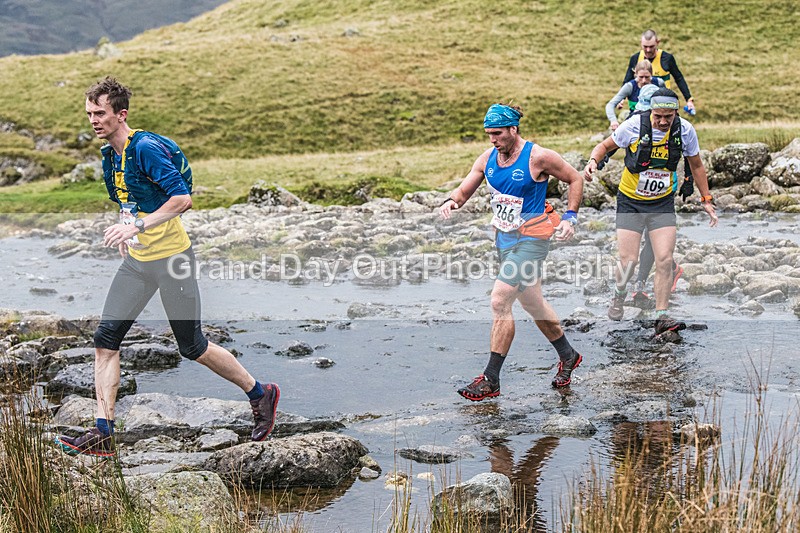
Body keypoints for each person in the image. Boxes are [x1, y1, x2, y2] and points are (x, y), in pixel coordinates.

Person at [54, 77, 280, 457]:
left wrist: (137, 227)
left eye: (100, 113)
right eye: (89, 113)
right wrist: (127, 227)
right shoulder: (111, 155)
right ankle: (103, 432)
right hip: (138, 263)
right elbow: (130, 198)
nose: (93, 120)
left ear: (121, 114)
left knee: (193, 346)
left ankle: (261, 394)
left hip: (173, 260)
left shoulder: (145, 148)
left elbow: (182, 199)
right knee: (105, 341)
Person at [439, 103, 585, 397]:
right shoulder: (487, 158)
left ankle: (491, 379)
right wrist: (451, 201)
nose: (493, 139)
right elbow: (464, 190)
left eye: (498, 133)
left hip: (533, 240)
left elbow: (575, 178)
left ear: (513, 129)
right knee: (533, 304)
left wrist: (570, 217)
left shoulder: (538, 157)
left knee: (499, 300)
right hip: (504, 241)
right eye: (489, 134)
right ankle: (568, 355)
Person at [584, 88, 717, 334]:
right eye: (658, 116)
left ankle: (661, 315)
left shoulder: (685, 131)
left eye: (669, 116)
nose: (663, 122)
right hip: (631, 202)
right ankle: (619, 295)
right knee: (629, 261)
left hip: (661, 203)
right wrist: (593, 161)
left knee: (664, 259)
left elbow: (697, 165)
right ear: (651, 111)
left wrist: (706, 199)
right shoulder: (634, 125)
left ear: (676, 113)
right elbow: (604, 146)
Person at [623, 29, 695, 114]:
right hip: (642, 105)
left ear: (657, 42)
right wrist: (621, 99)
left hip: (663, 104)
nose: (648, 50)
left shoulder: (667, 58)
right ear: (641, 43)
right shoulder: (635, 58)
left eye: (651, 46)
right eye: (645, 46)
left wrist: (689, 99)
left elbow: (679, 78)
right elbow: (627, 80)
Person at [606, 60, 665, 132]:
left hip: (656, 123)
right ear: (636, 74)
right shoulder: (630, 87)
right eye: (641, 77)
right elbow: (610, 104)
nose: (644, 80)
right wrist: (613, 121)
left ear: (651, 74)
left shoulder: (659, 83)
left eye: (647, 77)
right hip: (635, 124)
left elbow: (667, 101)